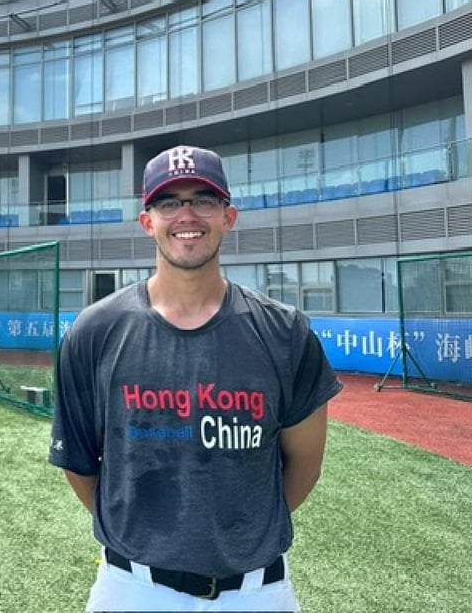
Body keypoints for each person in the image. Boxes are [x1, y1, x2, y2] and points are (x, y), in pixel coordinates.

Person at [49, 144, 343, 612]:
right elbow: (80, 464)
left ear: (229, 215)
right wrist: (145, 540)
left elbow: (304, 465)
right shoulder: (94, 332)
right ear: (148, 221)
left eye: (203, 199)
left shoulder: (285, 332)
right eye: (169, 202)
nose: (188, 214)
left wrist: (242, 536)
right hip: (132, 589)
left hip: (257, 593)